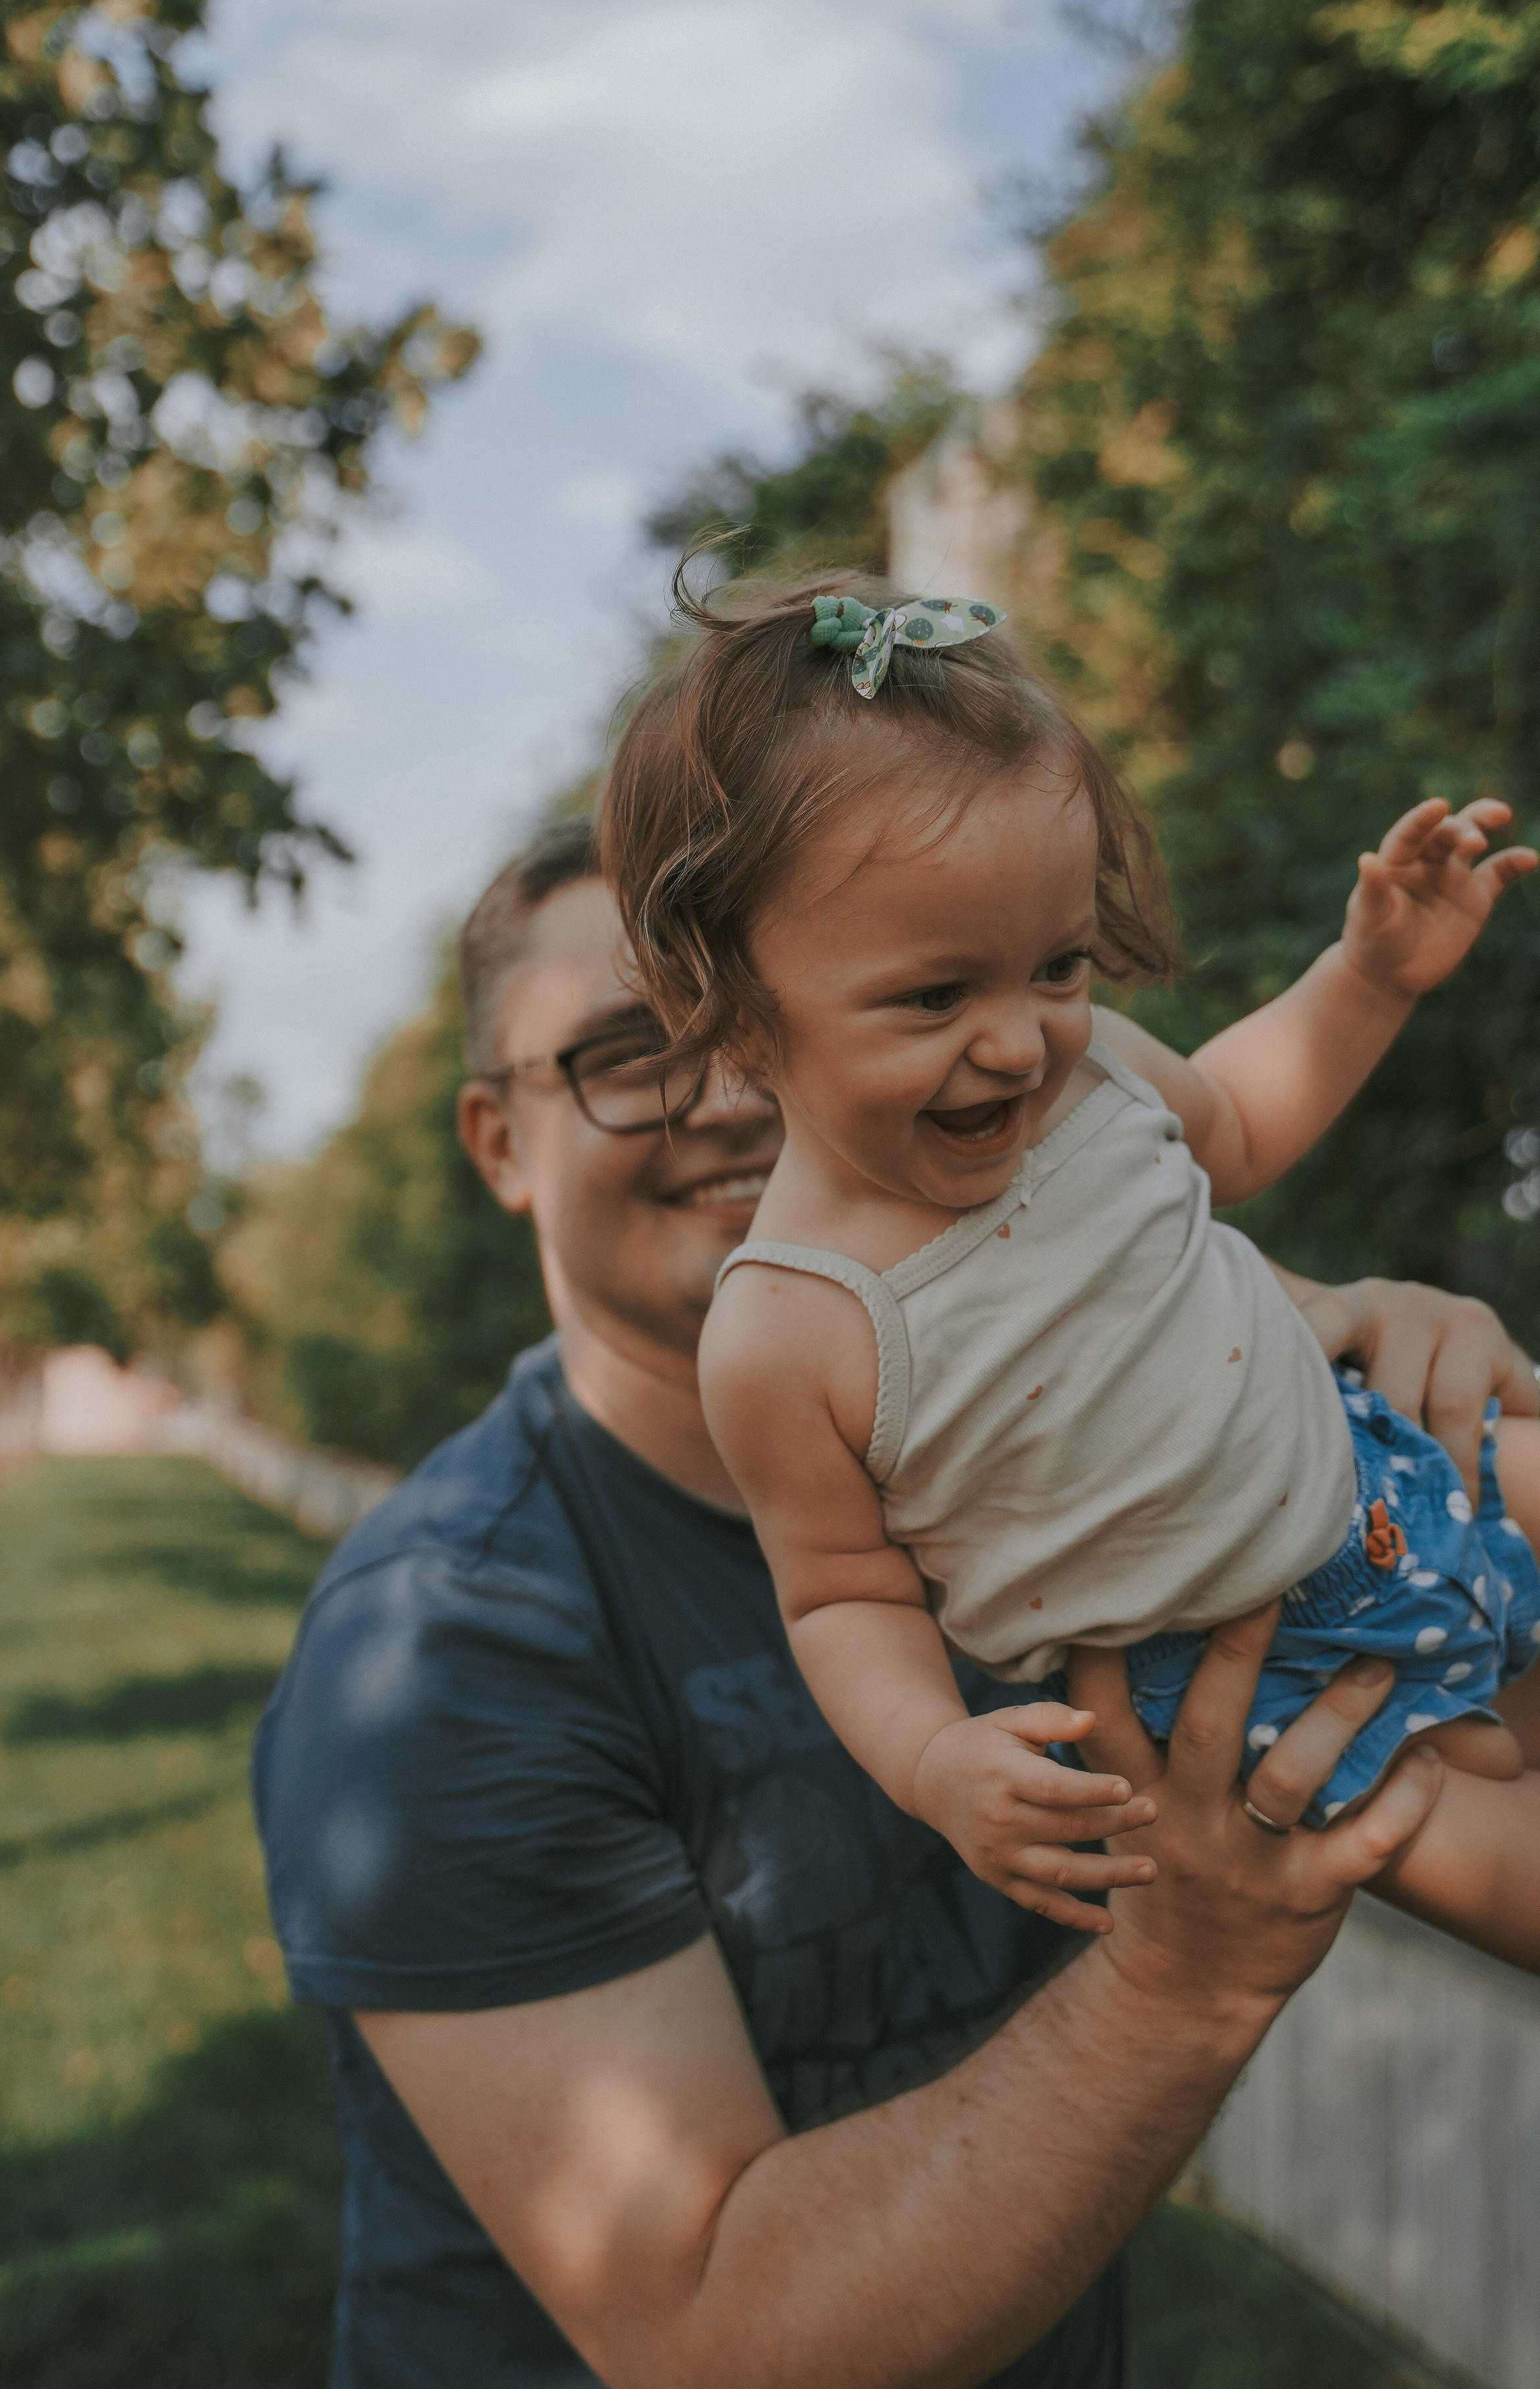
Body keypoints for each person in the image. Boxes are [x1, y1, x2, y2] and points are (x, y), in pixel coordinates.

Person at [253, 809, 1540, 2389]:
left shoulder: (1044, 1413)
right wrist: (1188, 1977)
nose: (727, 1092)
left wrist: (1373, 1376)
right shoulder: (445, 1650)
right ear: (500, 1142)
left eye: (745, 1016)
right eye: (628, 1053)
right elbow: (707, 2337)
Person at [598, 574, 1540, 1976]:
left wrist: (1370, 979)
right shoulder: (789, 1329)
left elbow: (1238, 1119)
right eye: (934, 997)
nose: (1018, 1042)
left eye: (1057, 966)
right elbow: (844, 1599)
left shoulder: (1093, 1078)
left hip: (1390, 1466)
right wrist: (935, 1760)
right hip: (1247, 1693)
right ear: (728, 1007)